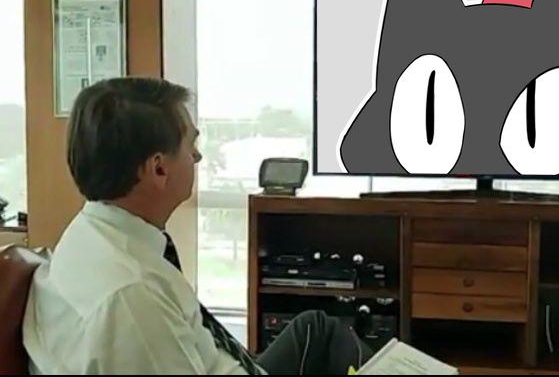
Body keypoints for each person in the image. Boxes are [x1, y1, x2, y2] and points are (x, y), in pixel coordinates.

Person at [23, 77, 372, 375]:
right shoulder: (131, 298)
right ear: (159, 169)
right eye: (190, 144)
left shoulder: (94, 234)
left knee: (317, 329)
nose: (198, 156)